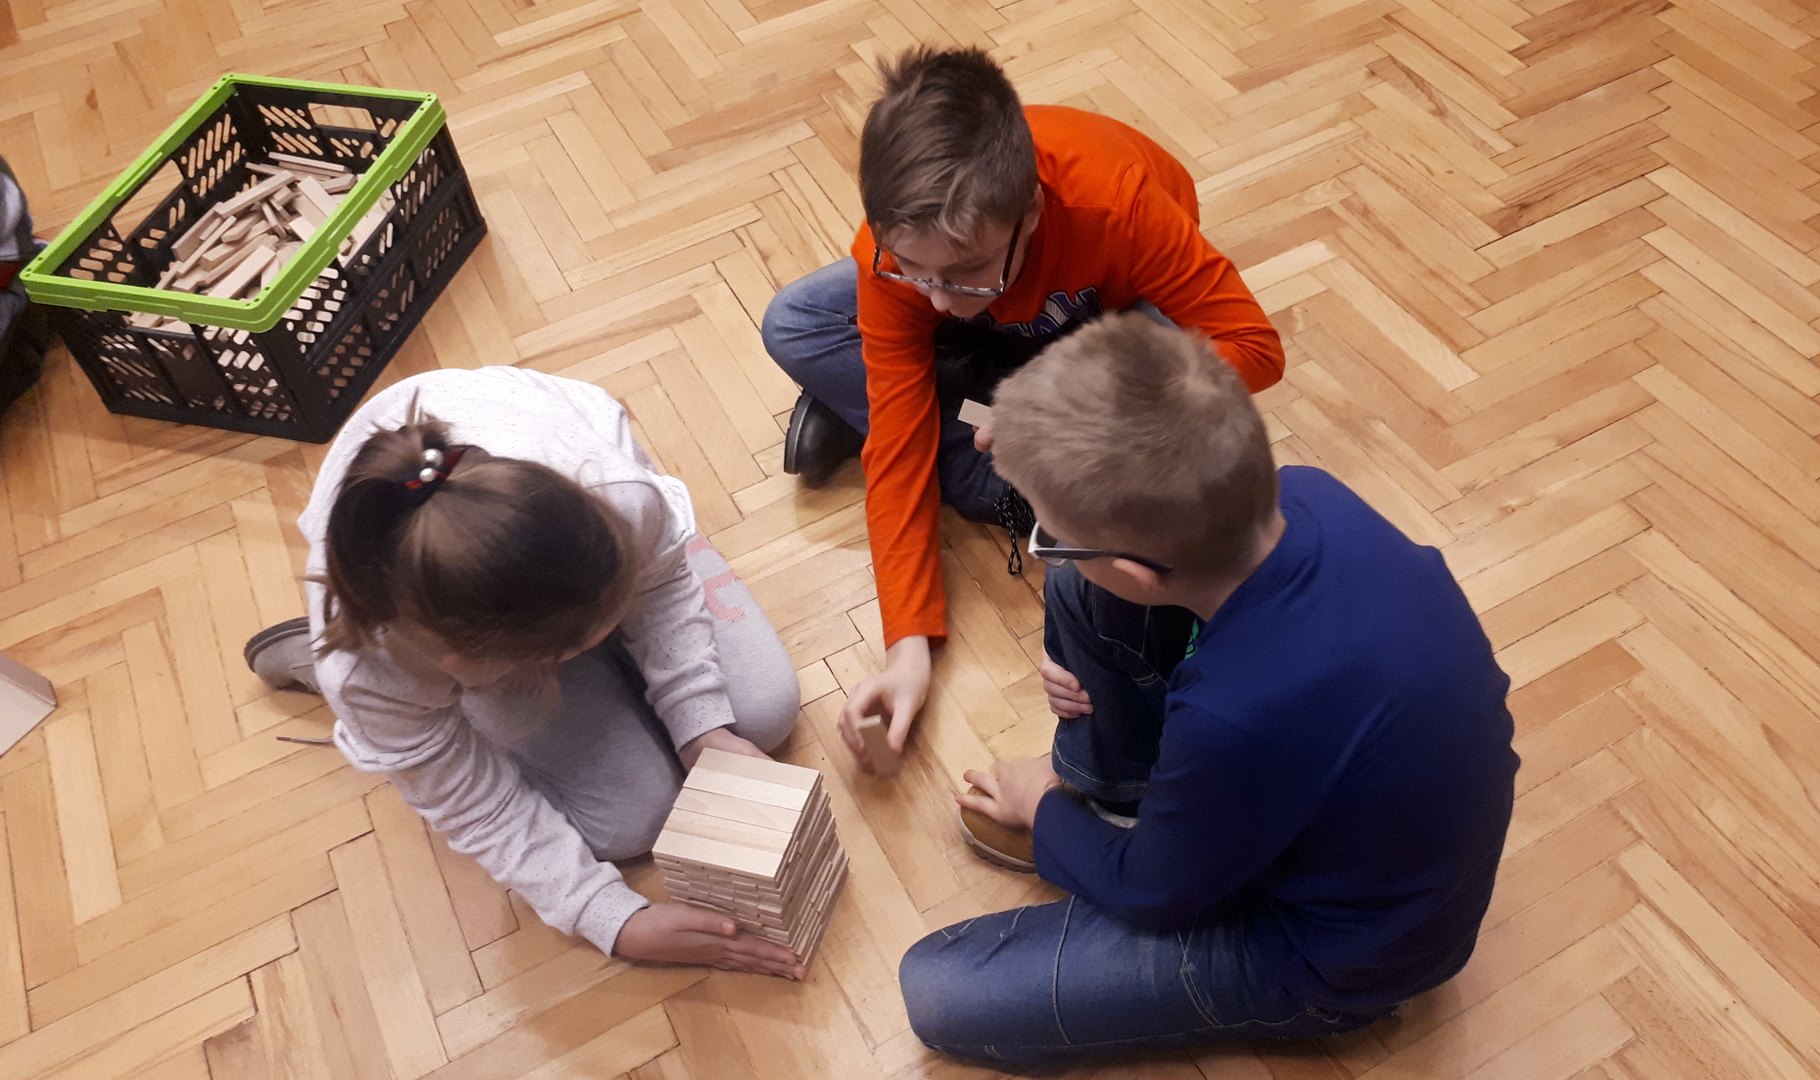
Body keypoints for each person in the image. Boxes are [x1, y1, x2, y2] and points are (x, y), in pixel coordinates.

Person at [897, 314, 1519, 1065]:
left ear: (1137, 571)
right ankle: (1124, 804)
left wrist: (1044, 808)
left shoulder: (1236, 716)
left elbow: (1153, 894)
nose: (1048, 549)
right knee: (1077, 592)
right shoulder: (1308, 493)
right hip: (1333, 812)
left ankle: (1118, 824)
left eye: (1051, 536)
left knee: (938, 988)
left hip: (1334, 961)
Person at [759, 47, 1287, 768]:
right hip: (1020, 337)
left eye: (966, 271)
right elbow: (899, 444)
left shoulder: (1119, 205)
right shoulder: (896, 262)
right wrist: (907, 648)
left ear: (1031, 212)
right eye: (913, 270)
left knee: (1179, 431)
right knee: (794, 321)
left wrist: (1073, 411)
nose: (937, 300)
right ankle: (974, 399)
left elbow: (1256, 349)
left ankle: (962, 398)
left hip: (1112, 320)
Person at [244, 366, 807, 979]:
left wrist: (702, 726)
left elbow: (663, 582)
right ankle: (323, 666)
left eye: (608, 612)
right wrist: (607, 915)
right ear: (464, 664)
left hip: (583, 561)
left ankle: (604, 624)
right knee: (628, 824)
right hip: (433, 657)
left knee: (763, 710)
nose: (596, 641)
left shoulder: (617, 495)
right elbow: (473, 804)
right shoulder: (372, 671)